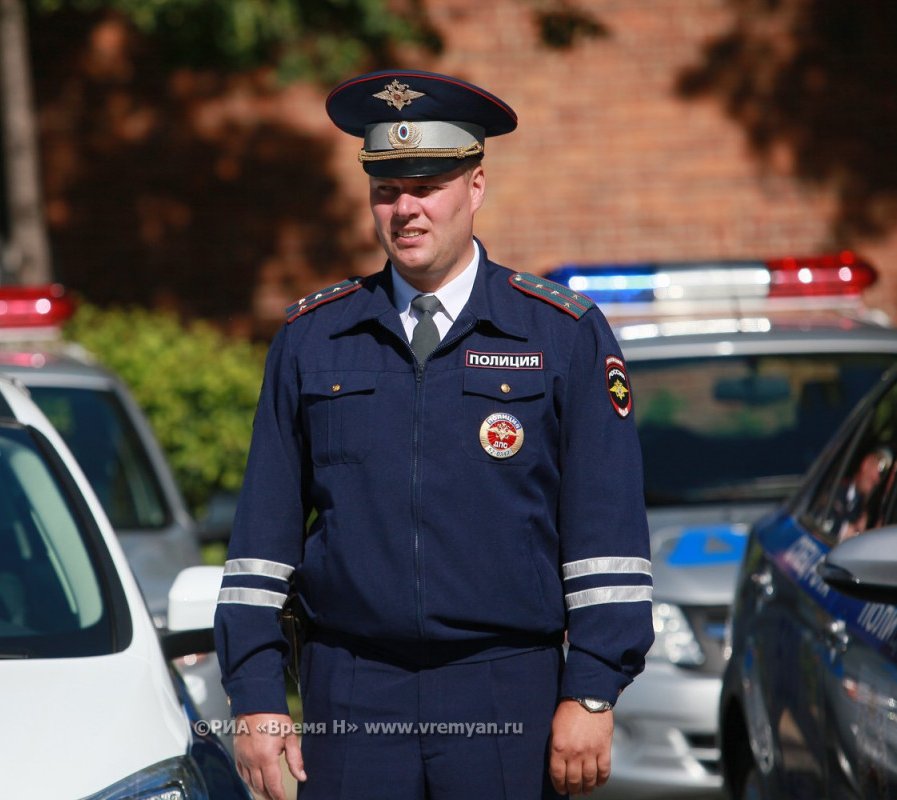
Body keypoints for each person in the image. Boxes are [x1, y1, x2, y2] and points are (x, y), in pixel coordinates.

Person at [214, 69, 654, 800]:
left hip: (504, 687)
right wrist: (256, 697)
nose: (406, 210)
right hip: (352, 690)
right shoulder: (314, 340)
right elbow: (262, 538)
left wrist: (595, 689)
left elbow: (605, 531)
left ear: (475, 187)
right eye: (387, 190)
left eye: (428, 186)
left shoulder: (559, 334)